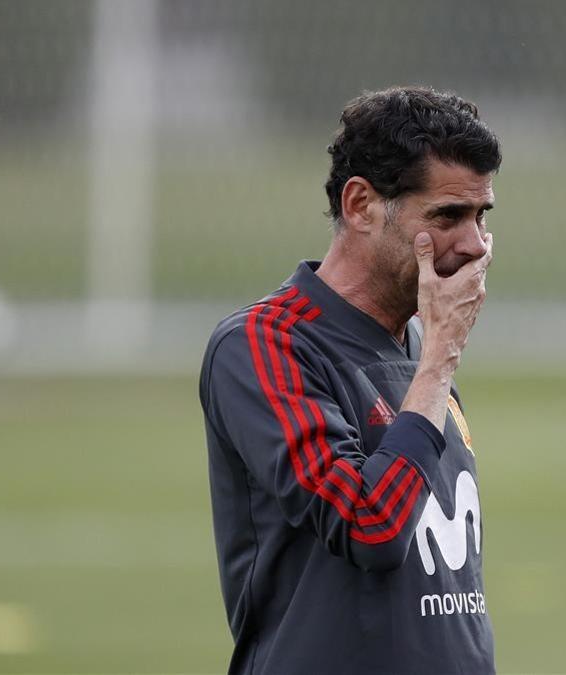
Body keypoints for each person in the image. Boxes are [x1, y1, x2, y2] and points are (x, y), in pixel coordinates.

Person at [198, 86, 500, 674]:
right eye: (447, 216)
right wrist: (440, 357)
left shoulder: (419, 346)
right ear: (361, 204)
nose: (474, 244)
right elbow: (371, 526)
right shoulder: (265, 344)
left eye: (481, 216)